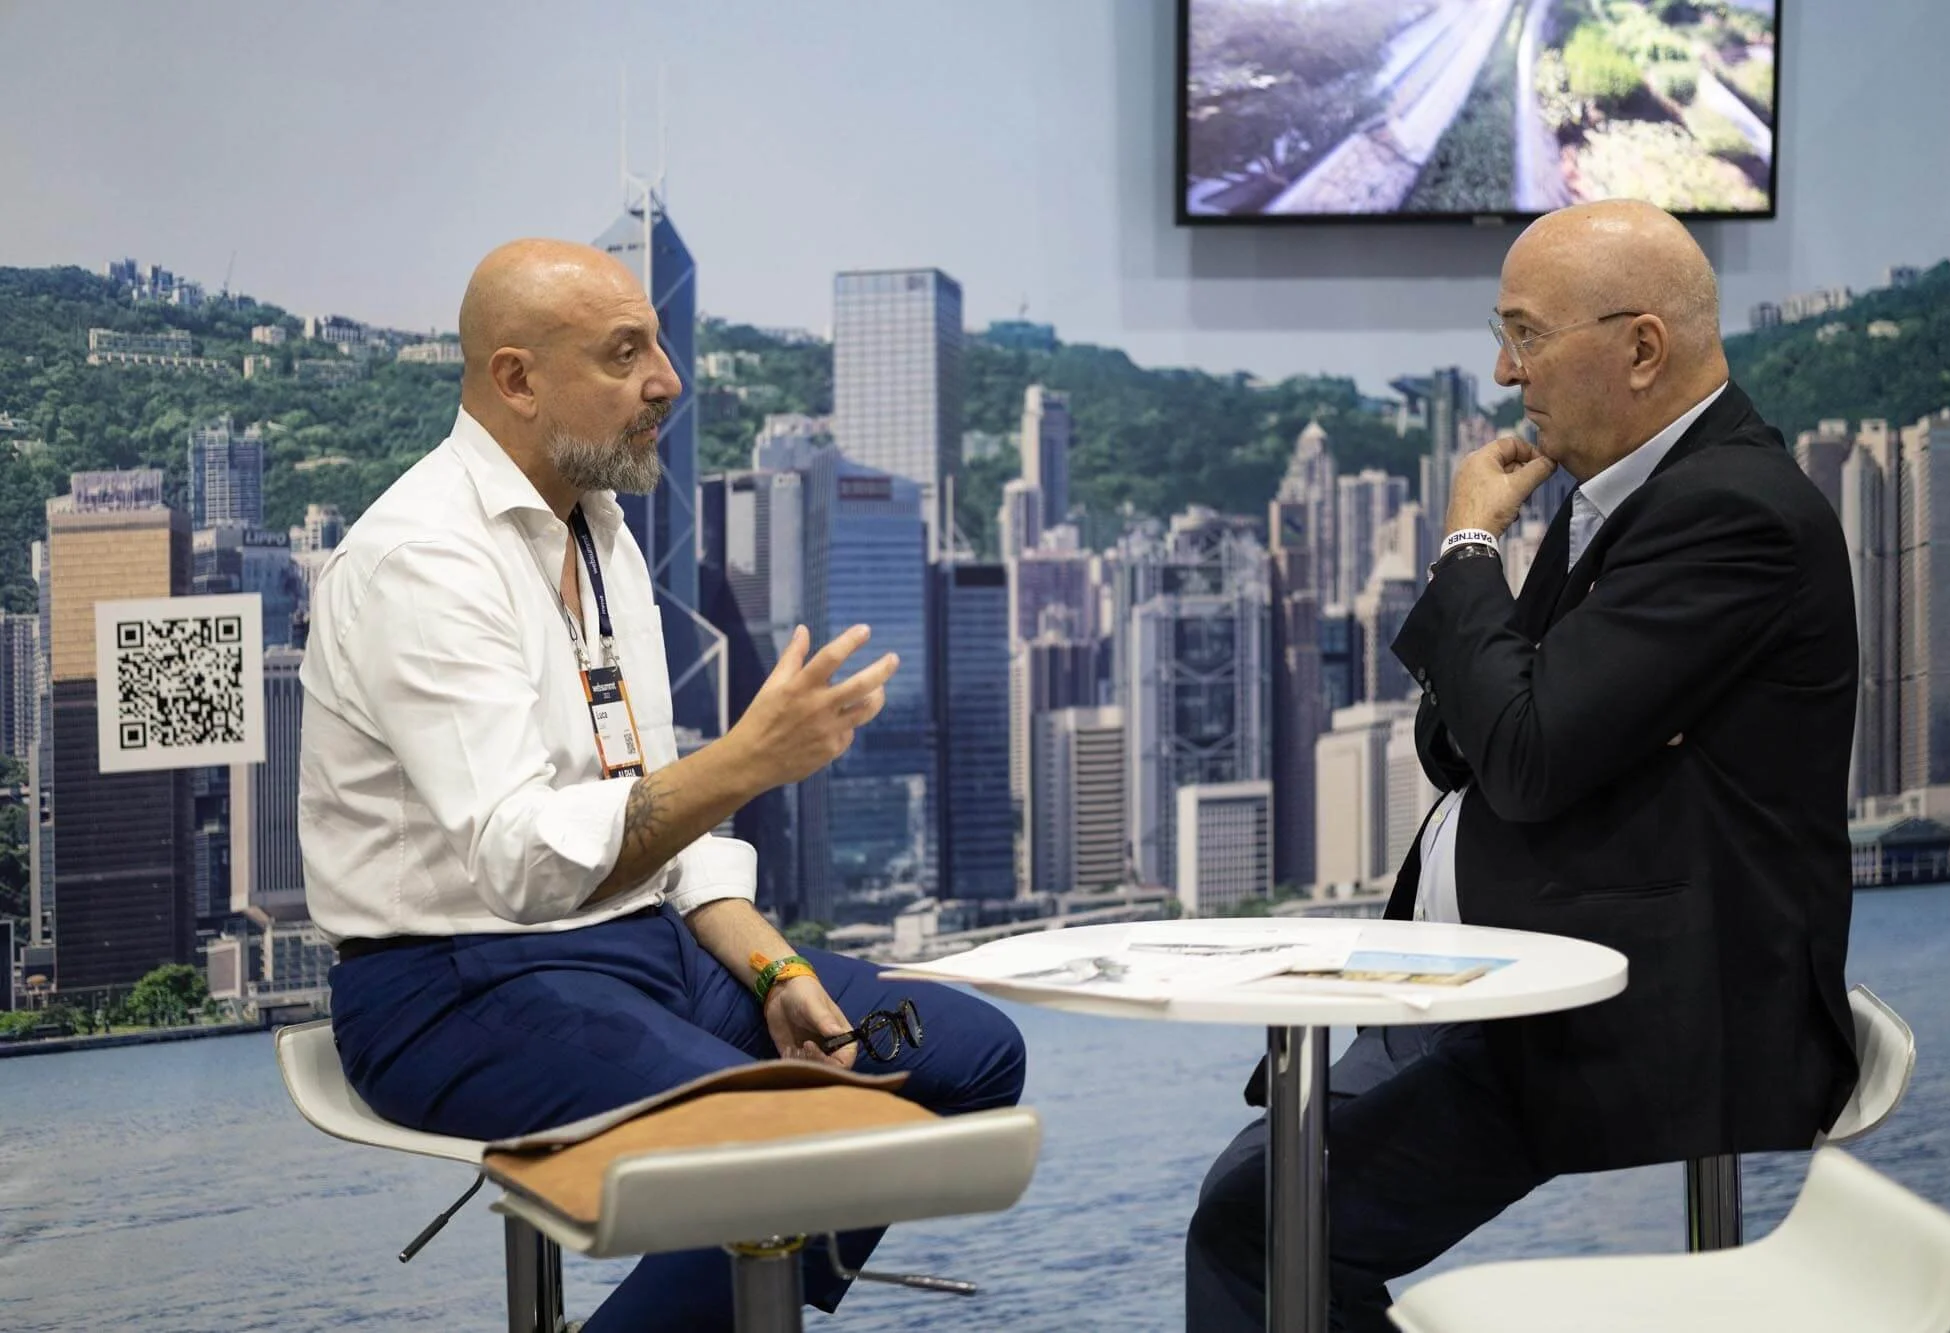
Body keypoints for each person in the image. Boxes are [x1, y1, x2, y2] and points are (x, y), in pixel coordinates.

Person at [298, 238, 1027, 1331]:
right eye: (624, 352)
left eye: (659, 343)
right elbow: (521, 862)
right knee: (812, 1143)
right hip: (454, 985)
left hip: (643, 948)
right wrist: (750, 757)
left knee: (970, 1059)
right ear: (515, 379)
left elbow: (653, 815)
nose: (667, 379)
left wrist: (772, 964)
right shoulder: (422, 561)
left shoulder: (602, 534)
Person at [1185, 200, 1860, 1332]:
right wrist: (1510, 686)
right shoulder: (1617, 498)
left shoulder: (1730, 510)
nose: (1504, 371)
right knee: (1254, 1200)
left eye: (1526, 335)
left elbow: (1527, 755)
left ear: (1640, 348)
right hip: (1503, 984)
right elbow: (1459, 741)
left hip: (1622, 1015)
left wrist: (1465, 546)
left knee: (1262, 1221)